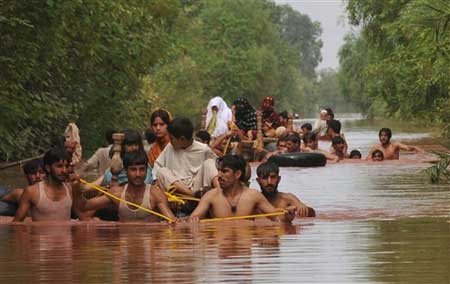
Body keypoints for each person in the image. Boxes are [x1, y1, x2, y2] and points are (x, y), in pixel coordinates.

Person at [74, 150, 176, 222]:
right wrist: (76, 186)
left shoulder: (155, 193)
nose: (138, 174)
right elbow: (84, 206)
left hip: (149, 248)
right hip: (124, 248)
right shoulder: (116, 193)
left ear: (146, 170)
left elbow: (172, 223)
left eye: (142, 169)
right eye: (133, 169)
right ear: (126, 171)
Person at [189, 155, 296, 222]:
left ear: (237, 174)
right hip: (222, 252)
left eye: (225, 171)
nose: (219, 176)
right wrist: (194, 221)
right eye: (219, 171)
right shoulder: (211, 196)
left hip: (243, 250)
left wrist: (288, 217)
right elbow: (194, 218)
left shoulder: (253, 196)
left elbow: (276, 217)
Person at [153, 117, 219, 197]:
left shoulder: (203, 149)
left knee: (209, 163)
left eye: (172, 139)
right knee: (161, 171)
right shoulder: (170, 147)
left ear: (182, 139)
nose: (170, 141)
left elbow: (216, 166)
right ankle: (192, 195)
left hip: (196, 187)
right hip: (176, 190)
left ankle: (220, 193)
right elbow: (157, 166)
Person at [13, 147, 80, 222]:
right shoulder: (32, 192)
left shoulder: (71, 188)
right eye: (59, 166)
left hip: (66, 233)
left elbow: (81, 214)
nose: (64, 171)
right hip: (40, 234)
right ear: (48, 168)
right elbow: (16, 224)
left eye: (66, 166)